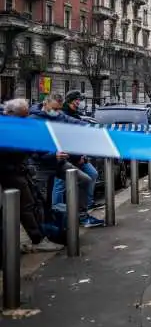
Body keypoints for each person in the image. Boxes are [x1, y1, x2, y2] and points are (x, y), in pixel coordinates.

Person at [28, 94, 104, 228]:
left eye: (59, 109)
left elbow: (74, 122)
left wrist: (94, 128)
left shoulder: (59, 115)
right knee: (39, 199)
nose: (56, 112)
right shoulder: (34, 120)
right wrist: (53, 155)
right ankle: (41, 232)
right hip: (41, 165)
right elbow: (32, 148)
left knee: (85, 179)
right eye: (54, 109)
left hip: (59, 163)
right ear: (45, 104)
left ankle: (81, 216)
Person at [0, 99, 63, 252]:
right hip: (10, 171)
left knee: (23, 205)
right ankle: (36, 239)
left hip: (15, 170)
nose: (25, 119)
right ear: (10, 113)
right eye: (22, 116)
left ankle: (12, 243)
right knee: (26, 205)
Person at [62, 90, 101, 210]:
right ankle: (59, 209)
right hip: (67, 157)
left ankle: (88, 203)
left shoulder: (76, 115)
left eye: (79, 100)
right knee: (60, 185)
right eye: (77, 100)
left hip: (78, 155)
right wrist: (77, 156)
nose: (79, 102)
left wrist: (82, 155)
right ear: (71, 101)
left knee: (92, 174)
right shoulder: (64, 115)